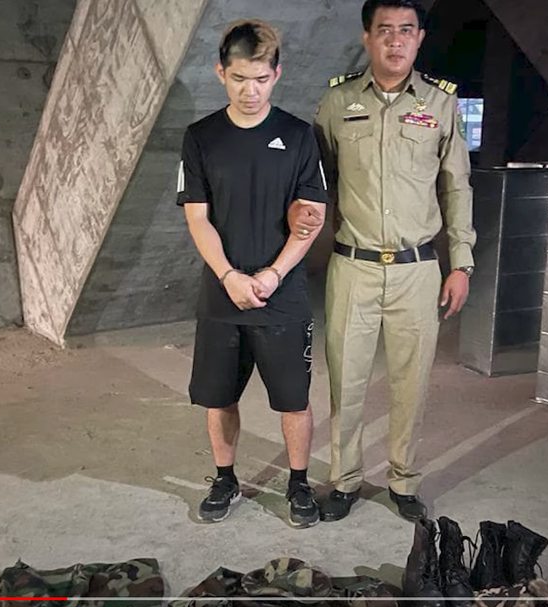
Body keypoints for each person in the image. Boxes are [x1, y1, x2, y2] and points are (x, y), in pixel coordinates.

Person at [290, 0, 476, 522]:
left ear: (420, 39)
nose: (396, 41)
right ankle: (345, 480)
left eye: (406, 31)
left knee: (411, 383)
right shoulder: (337, 102)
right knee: (345, 380)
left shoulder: (440, 104)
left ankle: (403, 479)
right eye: (385, 30)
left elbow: (457, 187)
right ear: (367, 38)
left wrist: (460, 263)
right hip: (354, 266)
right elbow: (314, 181)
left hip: (418, 270)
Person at [177, 19, 328, 528]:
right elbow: (197, 218)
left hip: (282, 294)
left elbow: (311, 218)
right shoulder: (201, 138)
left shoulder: (298, 136)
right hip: (222, 294)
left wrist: (273, 274)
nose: (250, 90)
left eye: (261, 79)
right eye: (239, 78)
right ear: (221, 73)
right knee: (218, 397)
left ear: (276, 75)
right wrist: (228, 276)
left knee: (293, 400)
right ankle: (225, 479)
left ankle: (299, 484)